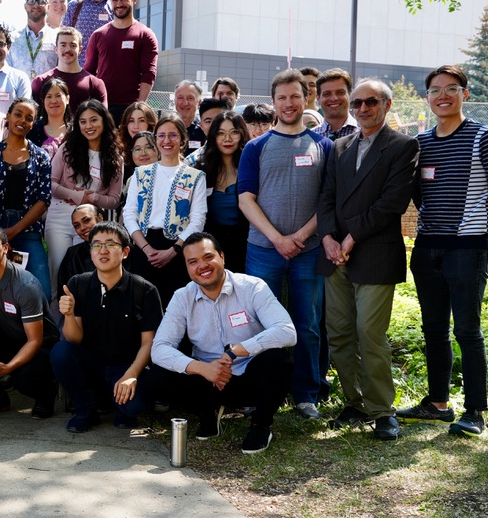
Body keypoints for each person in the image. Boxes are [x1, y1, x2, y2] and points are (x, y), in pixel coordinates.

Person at [398, 65, 488, 437]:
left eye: (451, 88)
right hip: (427, 246)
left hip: (468, 248)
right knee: (434, 328)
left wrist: (474, 211)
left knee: (468, 330)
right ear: (427, 98)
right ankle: (437, 404)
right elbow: (418, 194)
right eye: (435, 90)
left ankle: (475, 412)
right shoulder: (421, 143)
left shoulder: (485, 137)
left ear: (465, 94)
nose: (443, 96)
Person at [316, 80, 419, 441]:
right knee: (340, 334)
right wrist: (328, 238)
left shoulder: (403, 146)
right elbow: (325, 195)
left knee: (369, 334)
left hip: (373, 254)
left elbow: (391, 203)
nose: (362, 108)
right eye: (357, 103)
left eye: (370, 102)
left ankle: (381, 409)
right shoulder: (339, 145)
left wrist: (350, 237)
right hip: (335, 256)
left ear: (387, 105)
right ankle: (355, 403)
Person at [237, 69, 333, 420]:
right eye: (282, 97)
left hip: (308, 253)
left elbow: (328, 203)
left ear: (306, 98)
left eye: (296, 96)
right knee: (259, 324)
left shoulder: (324, 147)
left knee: (307, 323)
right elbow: (246, 198)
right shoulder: (256, 147)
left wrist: (300, 237)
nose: (289, 103)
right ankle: (258, 391)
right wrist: (277, 238)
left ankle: (306, 394)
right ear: (273, 101)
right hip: (264, 250)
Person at [149, 232, 296, 454]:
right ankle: (207, 413)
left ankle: (260, 425)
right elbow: (159, 348)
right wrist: (203, 369)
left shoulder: (252, 287)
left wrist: (237, 351)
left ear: (222, 257)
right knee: (162, 367)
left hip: (249, 378)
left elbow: (287, 331)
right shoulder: (182, 297)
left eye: (208, 257)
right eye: (193, 262)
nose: (202, 266)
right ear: (187, 268)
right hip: (206, 381)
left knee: (279, 359)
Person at [51, 221, 161, 432]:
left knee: (133, 408)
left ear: (125, 252)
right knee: (61, 351)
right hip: (92, 364)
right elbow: (74, 339)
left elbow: (149, 343)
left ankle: (120, 405)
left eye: (110, 244)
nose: (102, 251)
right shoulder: (78, 284)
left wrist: (131, 375)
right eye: (96, 245)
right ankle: (85, 409)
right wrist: (69, 314)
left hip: (126, 366)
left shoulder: (143, 290)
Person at [0, 223, 58, 419]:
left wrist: (7, 368)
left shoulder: (25, 285)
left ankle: (46, 394)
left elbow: (35, 340)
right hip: (10, 337)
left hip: (41, 344)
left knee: (23, 378)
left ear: (5, 248)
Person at [123, 115, 208, 307]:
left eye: (173, 135)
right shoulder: (140, 173)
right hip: (144, 247)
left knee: (177, 307)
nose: (167, 141)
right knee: (143, 307)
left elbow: (197, 220)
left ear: (182, 140)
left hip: (179, 249)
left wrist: (173, 250)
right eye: (161, 135)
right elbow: (129, 215)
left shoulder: (195, 177)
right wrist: (146, 248)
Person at [0, 98, 53, 300]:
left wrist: (13, 231)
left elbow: (43, 200)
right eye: (18, 114)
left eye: (29, 118)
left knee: (41, 289)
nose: (22, 120)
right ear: (8, 116)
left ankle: (43, 332)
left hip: (28, 230)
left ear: (33, 124)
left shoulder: (41, 157)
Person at [46, 100, 123, 290]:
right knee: (58, 272)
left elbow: (114, 199)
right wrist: (78, 196)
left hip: (90, 221)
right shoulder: (67, 149)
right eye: (83, 121)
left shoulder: (115, 157)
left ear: (104, 121)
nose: (89, 126)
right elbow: (52, 184)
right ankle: (59, 316)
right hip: (60, 216)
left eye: (94, 120)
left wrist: (94, 199)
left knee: (86, 275)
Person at [83, 0, 157, 107]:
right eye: (114, 0)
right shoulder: (98, 35)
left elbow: (148, 73)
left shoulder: (145, 35)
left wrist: (140, 105)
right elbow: (88, 72)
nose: (119, 4)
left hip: (132, 108)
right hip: (102, 106)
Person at [195, 110, 251, 272]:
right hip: (211, 244)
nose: (227, 139)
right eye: (221, 133)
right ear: (213, 136)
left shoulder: (251, 168)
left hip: (245, 243)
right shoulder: (201, 169)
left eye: (234, 132)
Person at [30, 27, 106, 116]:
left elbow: (102, 120)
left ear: (80, 49)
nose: (68, 49)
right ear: (56, 49)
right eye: (63, 45)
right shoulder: (41, 81)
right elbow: (34, 117)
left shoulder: (94, 83)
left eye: (73, 45)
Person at [62, 0, 113, 68]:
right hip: (78, 70)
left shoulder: (115, 8)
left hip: (107, 71)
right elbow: (63, 37)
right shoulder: (75, 6)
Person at [8, 0, 59, 80]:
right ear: (25, 6)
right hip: (20, 94)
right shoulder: (12, 39)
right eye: (31, 1)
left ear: (48, 6)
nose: (36, 5)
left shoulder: (57, 38)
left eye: (41, 2)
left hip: (48, 93)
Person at [54, 204, 101, 305]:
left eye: (86, 220)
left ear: (100, 218)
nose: (83, 228)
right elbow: (64, 293)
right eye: (77, 226)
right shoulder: (73, 255)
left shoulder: (121, 248)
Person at [27, 77, 71, 157]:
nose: (53, 101)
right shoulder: (33, 129)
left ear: (67, 99)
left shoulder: (75, 130)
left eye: (58, 96)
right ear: (43, 101)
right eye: (49, 97)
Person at [312, 68, 358, 141]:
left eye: (340, 92)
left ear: (350, 95)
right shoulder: (309, 138)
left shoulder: (364, 133)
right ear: (318, 99)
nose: (334, 98)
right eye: (327, 94)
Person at [119, 102, 158, 175]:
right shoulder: (120, 153)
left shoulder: (160, 148)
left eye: (141, 121)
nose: (136, 126)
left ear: (149, 123)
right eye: (131, 121)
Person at [173, 80, 207, 151]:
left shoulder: (205, 130)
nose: (185, 103)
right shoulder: (165, 129)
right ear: (174, 101)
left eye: (190, 98)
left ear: (199, 102)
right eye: (180, 98)